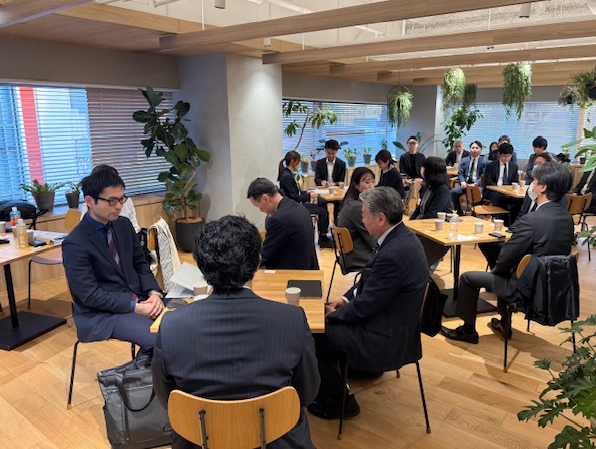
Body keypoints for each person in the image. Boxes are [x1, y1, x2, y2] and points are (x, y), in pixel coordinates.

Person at [152, 215, 320, 449]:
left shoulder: (171, 325)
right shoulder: (292, 319)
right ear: (257, 263)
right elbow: (307, 393)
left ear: (201, 267)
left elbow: (167, 398)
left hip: (199, 439)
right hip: (277, 439)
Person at [308, 186, 428, 419]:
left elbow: (366, 306)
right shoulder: (401, 236)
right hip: (395, 322)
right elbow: (368, 280)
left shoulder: (393, 254)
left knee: (316, 332)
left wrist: (332, 315)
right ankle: (349, 368)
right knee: (326, 313)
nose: (362, 220)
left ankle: (340, 402)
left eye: (364, 215)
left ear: (380, 218)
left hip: (384, 337)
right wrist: (343, 300)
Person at [440, 161, 574, 344]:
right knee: (507, 268)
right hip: (554, 286)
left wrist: (496, 271)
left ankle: (467, 330)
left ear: (543, 187)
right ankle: (504, 323)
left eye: (534, 182)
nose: (531, 185)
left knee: (468, 278)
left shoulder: (531, 220)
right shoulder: (567, 217)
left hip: (527, 287)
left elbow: (506, 257)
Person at [62, 169, 163, 358]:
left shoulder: (123, 225)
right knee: (159, 339)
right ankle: (136, 373)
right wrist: (136, 307)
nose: (118, 206)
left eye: (121, 199)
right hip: (102, 314)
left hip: (139, 298)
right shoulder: (75, 243)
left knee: (184, 321)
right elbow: (91, 296)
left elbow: (141, 265)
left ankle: (142, 370)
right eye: (111, 201)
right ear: (89, 201)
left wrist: (154, 293)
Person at [479, 152, 558, 269]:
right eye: (535, 164)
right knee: (485, 240)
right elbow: (522, 214)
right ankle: (497, 270)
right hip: (521, 231)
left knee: (502, 248)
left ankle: (501, 272)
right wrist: (511, 230)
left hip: (533, 240)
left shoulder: (554, 195)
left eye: (540, 164)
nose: (536, 167)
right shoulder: (531, 188)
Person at [248, 177, 319, 270]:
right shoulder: (299, 207)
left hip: (293, 273)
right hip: (309, 268)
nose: (260, 210)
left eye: (257, 206)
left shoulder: (278, 219)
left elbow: (265, 257)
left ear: (265, 198)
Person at [278, 151, 333, 249]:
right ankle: (323, 238)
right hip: (295, 206)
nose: (300, 164)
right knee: (322, 211)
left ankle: (323, 236)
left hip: (296, 204)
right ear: (293, 161)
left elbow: (296, 193)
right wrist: (310, 196)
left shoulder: (289, 174)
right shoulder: (287, 177)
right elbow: (294, 197)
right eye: (299, 162)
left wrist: (307, 192)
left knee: (322, 204)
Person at [410, 156, 452, 270]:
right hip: (421, 226)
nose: (422, 170)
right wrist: (410, 224)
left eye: (424, 168)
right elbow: (419, 208)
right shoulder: (427, 186)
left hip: (434, 231)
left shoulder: (443, 190)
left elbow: (432, 214)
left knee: (411, 248)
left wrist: (415, 228)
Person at [336, 167, 377, 269]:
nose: (371, 186)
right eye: (367, 182)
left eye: (373, 182)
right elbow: (372, 239)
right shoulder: (356, 208)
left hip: (351, 254)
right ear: (355, 185)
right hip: (358, 256)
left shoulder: (350, 200)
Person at [79, 164, 140, 232]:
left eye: (121, 199)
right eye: (112, 200)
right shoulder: (79, 237)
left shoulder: (125, 222)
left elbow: (135, 227)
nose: (119, 207)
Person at [451, 140, 488, 216]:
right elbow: (460, 173)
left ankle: (475, 213)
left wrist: (475, 184)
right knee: (454, 192)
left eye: (476, 148)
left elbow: (484, 175)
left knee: (475, 192)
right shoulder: (464, 160)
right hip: (465, 184)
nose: (474, 150)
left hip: (477, 185)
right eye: (472, 148)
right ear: (470, 149)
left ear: (480, 150)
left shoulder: (484, 161)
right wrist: (463, 182)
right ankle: (459, 212)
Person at [482, 142, 520, 213]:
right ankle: (502, 217)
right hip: (494, 191)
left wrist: (510, 192)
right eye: (504, 156)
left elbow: (515, 181)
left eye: (508, 156)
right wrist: (501, 191)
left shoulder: (514, 167)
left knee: (519, 200)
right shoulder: (491, 166)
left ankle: (513, 219)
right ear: (499, 154)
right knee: (499, 197)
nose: (506, 159)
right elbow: (488, 181)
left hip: (509, 192)